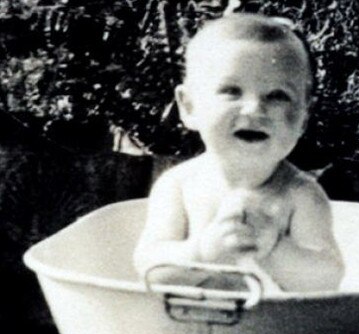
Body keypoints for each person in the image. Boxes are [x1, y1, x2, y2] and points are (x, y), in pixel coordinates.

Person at [133, 13, 344, 293]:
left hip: (272, 330)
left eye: (278, 95)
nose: (255, 109)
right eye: (231, 91)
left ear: (304, 118)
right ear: (189, 107)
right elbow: (148, 266)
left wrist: (275, 250)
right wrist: (201, 253)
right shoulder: (178, 186)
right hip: (188, 324)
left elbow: (328, 278)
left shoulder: (301, 195)